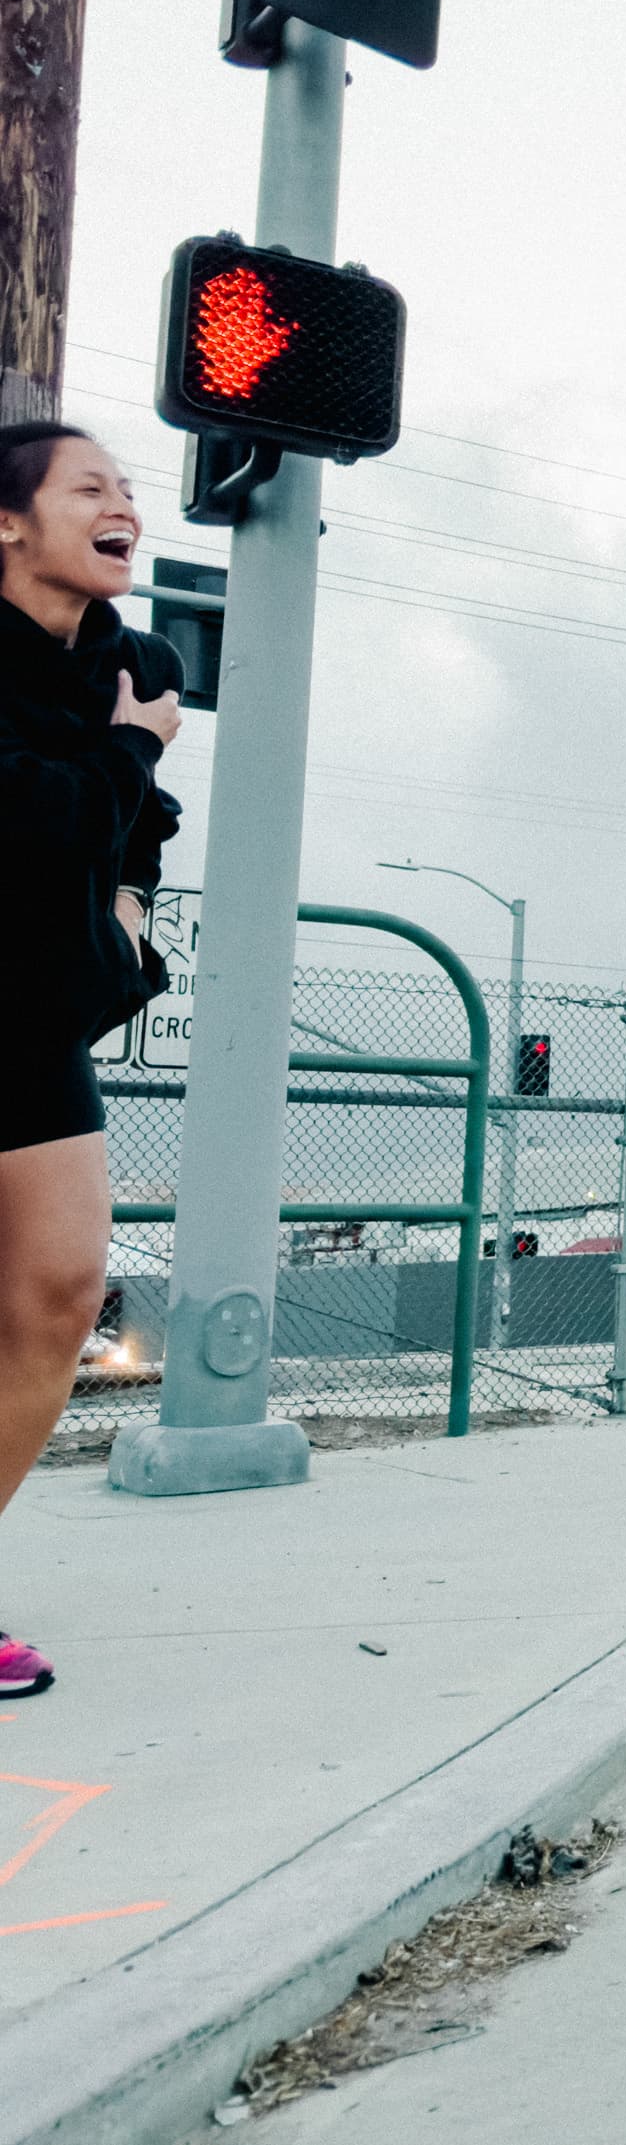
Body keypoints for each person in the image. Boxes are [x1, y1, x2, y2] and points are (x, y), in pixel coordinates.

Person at [0, 423, 183, 1697]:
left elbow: (133, 829)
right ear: (10, 524)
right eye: (90, 489)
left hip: (28, 1015)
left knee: (63, 1296)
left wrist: (129, 907)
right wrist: (128, 752)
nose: (124, 506)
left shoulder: (135, 660)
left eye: (127, 491)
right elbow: (29, 818)